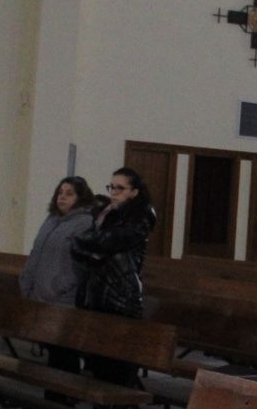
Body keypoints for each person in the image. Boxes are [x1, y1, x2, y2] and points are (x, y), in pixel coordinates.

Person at [72, 167, 158, 387]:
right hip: (96, 292)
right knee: (96, 360)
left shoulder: (141, 217)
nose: (114, 192)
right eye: (111, 187)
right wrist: (94, 244)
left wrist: (93, 243)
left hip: (121, 296)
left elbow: (111, 240)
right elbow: (77, 246)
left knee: (117, 362)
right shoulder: (105, 214)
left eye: (120, 188)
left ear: (134, 192)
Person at [19, 176, 97, 393]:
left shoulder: (85, 223)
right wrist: (27, 281)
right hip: (41, 296)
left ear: (81, 198)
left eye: (69, 193)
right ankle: (50, 402)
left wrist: (58, 286)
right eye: (60, 192)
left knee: (63, 352)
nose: (62, 197)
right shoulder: (52, 219)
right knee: (52, 351)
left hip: (63, 299)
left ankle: (64, 399)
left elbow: (80, 265)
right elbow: (37, 252)